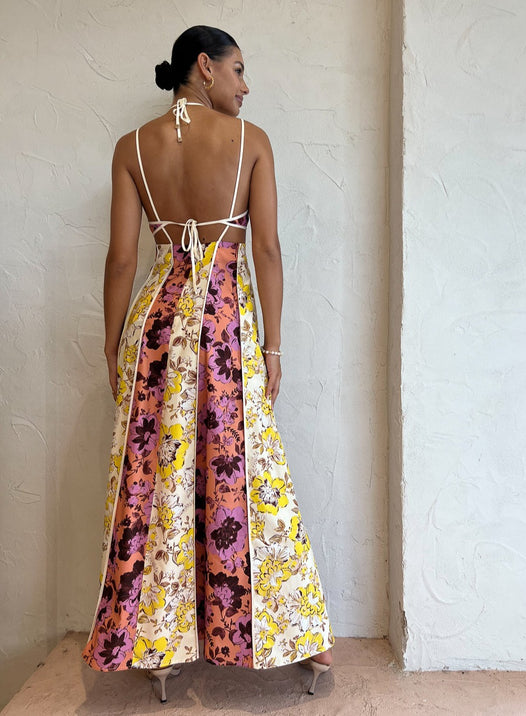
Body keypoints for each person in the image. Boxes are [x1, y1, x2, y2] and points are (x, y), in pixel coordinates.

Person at [81, 25, 334, 701]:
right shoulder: (251, 142)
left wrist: (112, 343)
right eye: (239, 70)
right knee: (245, 471)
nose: (246, 87)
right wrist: (274, 347)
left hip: (155, 328)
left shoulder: (131, 146)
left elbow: (122, 260)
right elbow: (267, 250)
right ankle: (290, 636)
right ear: (205, 66)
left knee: (155, 479)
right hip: (224, 327)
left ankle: (155, 645)